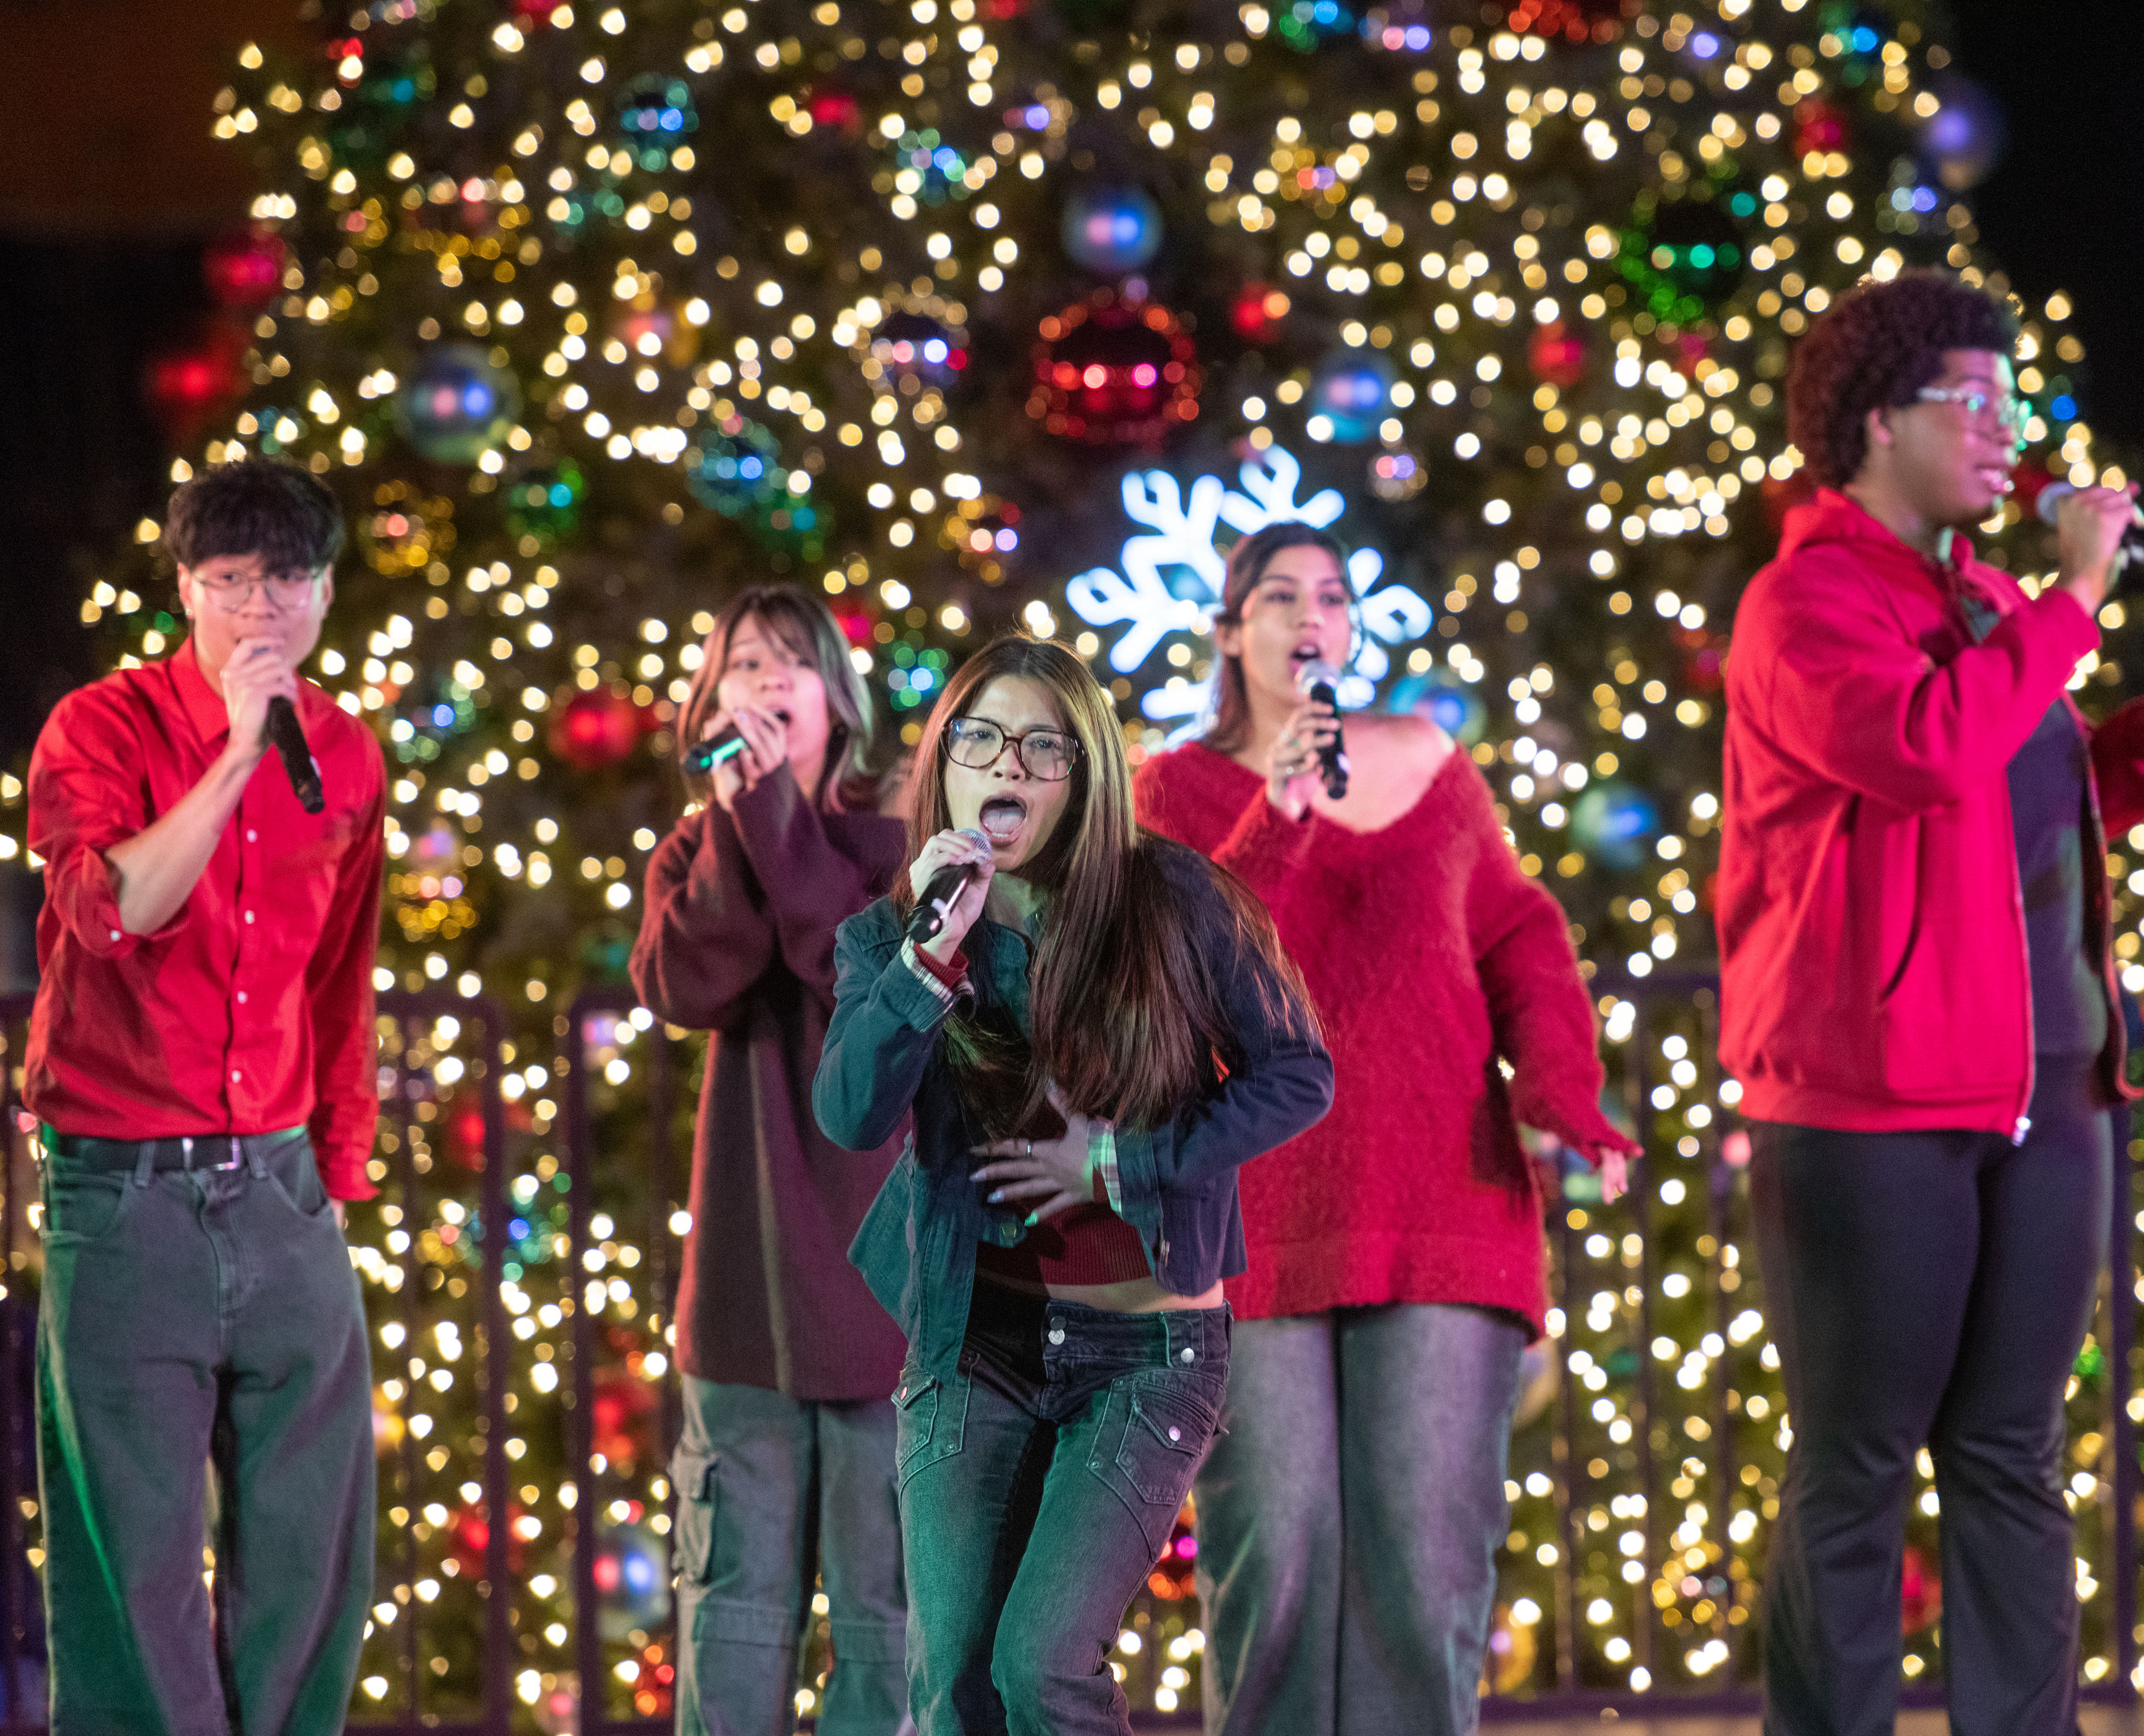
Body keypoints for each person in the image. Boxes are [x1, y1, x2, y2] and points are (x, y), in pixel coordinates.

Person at [1714, 272, 2144, 1736]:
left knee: (2013, 1456)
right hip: (1867, 1105)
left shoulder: (1988, 604)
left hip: (2045, 1088)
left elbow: (2032, 779)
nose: (2004, 431)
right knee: (1854, 1467)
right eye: (1971, 402)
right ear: (1874, 422)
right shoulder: (1802, 603)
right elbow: (1922, 749)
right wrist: (2078, 597)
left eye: (2006, 401)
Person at [1132, 523, 1638, 1736]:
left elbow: (1518, 934)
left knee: (1424, 1570)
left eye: (1335, 596)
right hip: (1254, 1219)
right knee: (1280, 1561)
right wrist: (1285, 809)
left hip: (1442, 1199)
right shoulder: (1173, 791)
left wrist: (1563, 1095)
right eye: (1281, 596)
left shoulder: (1429, 762)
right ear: (1231, 631)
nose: (1313, 615)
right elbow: (1182, 968)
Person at [813, 636, 1332, 1736]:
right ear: (946, 763)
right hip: (975, 1344)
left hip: (1147, 1352)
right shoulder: (894, 935)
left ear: (1084, 776)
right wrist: (928, 962)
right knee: (952, 1683)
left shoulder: (1172, 899)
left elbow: (1299, 1074)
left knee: (1041, 1666)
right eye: (985, 738)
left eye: (1045, 747)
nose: (1011, 762)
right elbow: (850, 1114)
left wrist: (1119, 1161)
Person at [23, 457, 384, 1735]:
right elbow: (116, 909)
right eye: (230, 582)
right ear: (185, 589)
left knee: (314, 1549)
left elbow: (341, 979)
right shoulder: (100, 728)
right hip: (125, 1199)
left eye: (286, 580)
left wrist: (336, 1176)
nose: (260, 610)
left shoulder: (348, 755)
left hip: (283, 1190)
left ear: (325, 592)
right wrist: (234, 757)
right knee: (140, 1563)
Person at [629, 585, 913, 1736]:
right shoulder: (701, 848)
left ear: (837, 706)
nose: (765, 684)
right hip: (745, 1301)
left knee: (887, 1621)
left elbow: (854, 973)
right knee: (734, 1610)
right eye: (742, 664)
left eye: (792, 664)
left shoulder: (894, 840)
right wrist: (741, 825)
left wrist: (778, 823)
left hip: (881, 1297)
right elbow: (687, 982)